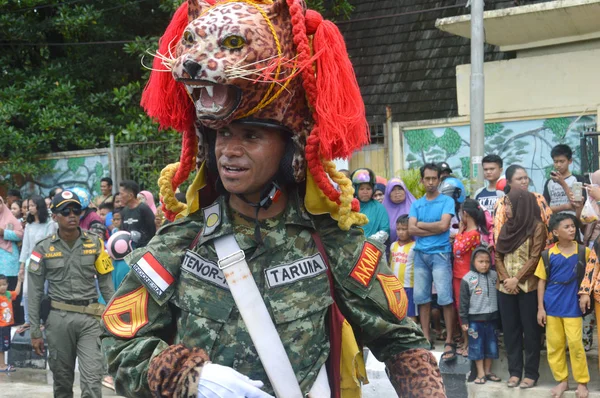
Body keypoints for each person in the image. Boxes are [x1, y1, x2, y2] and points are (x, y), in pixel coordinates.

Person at [101, 1, 445, 396]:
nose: (229, 150)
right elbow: (119, 341)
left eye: (250, 136)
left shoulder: (333, 241)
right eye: (223, 135)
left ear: (289, 148)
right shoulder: (182, 240)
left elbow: (402, 342)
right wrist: (187, 377)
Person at [28, 190, 114, 398]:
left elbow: (107, 286)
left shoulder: (94, 244)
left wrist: (114, 322)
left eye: (76, 210)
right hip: (58, 320)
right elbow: (34, 292)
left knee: (93, 381)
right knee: (62, 383)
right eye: (65, 211)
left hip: (90, 320)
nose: (72, 215)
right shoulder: (43, 249)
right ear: (55, 216)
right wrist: (34, 331)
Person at [536, 214, 592, 398]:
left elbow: (590, 276)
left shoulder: (583, 251)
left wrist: (585, 294)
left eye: (573, 226)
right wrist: (540, 308)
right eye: (566, 227)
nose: (572, 229)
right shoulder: (548, 254)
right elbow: (542, 282)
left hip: (573, 306)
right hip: (552, 307)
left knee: (576, 344)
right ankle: (562, 381)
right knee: (555, 346)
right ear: (555, 232)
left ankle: (582, 382)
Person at [495, 188, 547, 389]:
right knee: (510, 331)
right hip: (506, 287)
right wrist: (507, 279)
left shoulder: (536, 226)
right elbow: (498, 255)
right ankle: (515, 372)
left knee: (531, 331)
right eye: (506, 204)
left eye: (509, 204)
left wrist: (517, 279)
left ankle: (531, 374)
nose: (506, 209)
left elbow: (535, 257)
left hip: (528, 287)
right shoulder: (507, 227)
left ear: (521, 205)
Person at [409, 163, 457, 361]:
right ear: (422, 180)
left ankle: (449, 340)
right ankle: (426, 337)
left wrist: (420, 225)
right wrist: (434, 228)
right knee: (422, 299)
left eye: (434, 179)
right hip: (420, 255)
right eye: (427, 178)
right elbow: (411, 230)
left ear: (439, 180)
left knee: (445, 298)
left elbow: (444, 226)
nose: (430, 182)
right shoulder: (416, 204)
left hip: (441, 254)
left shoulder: (447, 201)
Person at [16, 195, 57, 334]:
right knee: (27, 292)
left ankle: (41, 320)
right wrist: (21, 266)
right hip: (31, 262)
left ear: (39, 206)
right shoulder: (29, 225)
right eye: (29, 206)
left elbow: (51, 244)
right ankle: (28, 320)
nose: (30, 209)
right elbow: (26, 247)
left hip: (45, 263)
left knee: (42, 293)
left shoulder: (50, 224)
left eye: (32, 206)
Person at [459, 247, 500, 385]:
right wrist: (464, 320)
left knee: (491, 346)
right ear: (473, 262)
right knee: (476, 346)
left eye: (487, 261)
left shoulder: (495, 276)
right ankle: (480, 373)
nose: (484, 264)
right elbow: (463, 302)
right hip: (474, 320)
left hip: (492, 319)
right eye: (480, 261)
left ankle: (488, 371)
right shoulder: (467, 279)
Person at [453, 199, 489, 357]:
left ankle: (469, 343)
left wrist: (458, 234)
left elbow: (457, 250)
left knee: (466, 310)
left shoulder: (473, 234)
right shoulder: (470, 233)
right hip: (459, 274)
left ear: (465, 214)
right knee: (461, 309)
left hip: (465, 277)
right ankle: (466, 340)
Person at [494, 164, 553, 244]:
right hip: (513, 249)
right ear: (508, 182)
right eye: (519, 179)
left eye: (526, 178)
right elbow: (498, 230)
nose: (524, 182)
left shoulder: (538, 198)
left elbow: (548, 221)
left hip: (540, 246)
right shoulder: (502, 202)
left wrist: (549, 240)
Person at [0, 196, 24, 326]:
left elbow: (20, 234)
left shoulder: (11, 219)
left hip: (9, 260)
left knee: (11, 292)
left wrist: (4, 232)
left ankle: (15, 320)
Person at [543, 144, 585, 217]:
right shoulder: (549, 182)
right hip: (554, 221)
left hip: (572, 220)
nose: (558, 165)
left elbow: (577, 203)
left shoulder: (577, 179)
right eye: (555, 162)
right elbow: (545, 208)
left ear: (570, 161)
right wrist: (565, 206)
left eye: (562, 161)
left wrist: (563, 183)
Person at [389, 215, 417, 322]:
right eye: (398, 229)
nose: (400, 232)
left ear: (410, 230)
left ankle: (413, 334)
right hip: (394, 286)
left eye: (404, 229)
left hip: (409, 285)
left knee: (410, 314)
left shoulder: (414, 246)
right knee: (395, 312)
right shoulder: (393, 246)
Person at [351, 168, 390, 244]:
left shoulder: (379, 207)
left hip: (372, 250)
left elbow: (385, 230)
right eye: (361, 189)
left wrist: (367, 243)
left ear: (373, 189)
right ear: (355, 190)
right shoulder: (350, 206)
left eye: (368, 189)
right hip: (350, 250)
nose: (365, 192)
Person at [119, 180, 156, 248]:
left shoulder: (144, 209)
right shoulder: (124, 211)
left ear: (130, 195)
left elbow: (152, 231)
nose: (119, 197)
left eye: (121, 194)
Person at [0, 273, 23, 372]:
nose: (2, 287)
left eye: (4, 284)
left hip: (7, 326)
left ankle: (3, 364)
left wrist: (19, 280)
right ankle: (1, 366)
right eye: (0, 285)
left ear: (7, 284)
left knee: (5, 345)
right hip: (1, 326)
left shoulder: (8, 294)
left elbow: (17, 292)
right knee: (1, 346)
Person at [383, 177, 416, 245]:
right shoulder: (382, 210)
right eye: (393, 190)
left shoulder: (415, 206)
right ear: (388, 192)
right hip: (392, 251)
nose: (397, 192)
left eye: (400, 189)